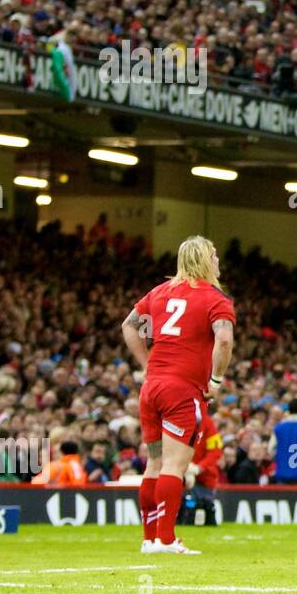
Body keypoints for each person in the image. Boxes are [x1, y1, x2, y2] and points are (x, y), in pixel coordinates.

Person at [122, 235, 235, 555]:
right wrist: (216, 379)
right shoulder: (215, 298)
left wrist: (147, 364)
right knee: (174, 467)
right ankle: (167, 539)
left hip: (152, 387)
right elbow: (224, 340)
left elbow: (128, 326)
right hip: (182, 390)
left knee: (153, 465)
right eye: (214, 255)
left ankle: (149, 538)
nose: (217, 261)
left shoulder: (159, 292)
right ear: (204, 260)